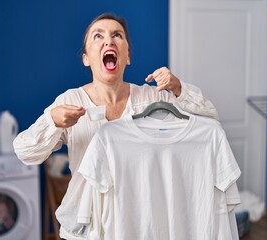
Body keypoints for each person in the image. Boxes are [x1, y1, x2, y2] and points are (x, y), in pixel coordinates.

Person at [13, 13, 219, 239]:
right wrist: (52, 122)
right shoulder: (70, 101)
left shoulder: (154, 99)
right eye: (98, 36)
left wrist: (179, 88)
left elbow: (210, 123)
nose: (108, 41)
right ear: (86, 58)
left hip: (142, 225)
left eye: (117, 35)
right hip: (86, 228)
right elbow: (25, 153)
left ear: (127, 56)